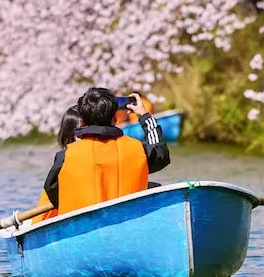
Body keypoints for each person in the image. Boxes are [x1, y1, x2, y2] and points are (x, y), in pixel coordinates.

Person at [41, 87, 171, 217]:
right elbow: (161, 152)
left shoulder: (65, 157)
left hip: (84, 229)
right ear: (115, 119)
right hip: (130, 224)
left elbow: (52, 190)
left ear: (82, 121)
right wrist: (144, 116)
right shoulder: (138, 150)